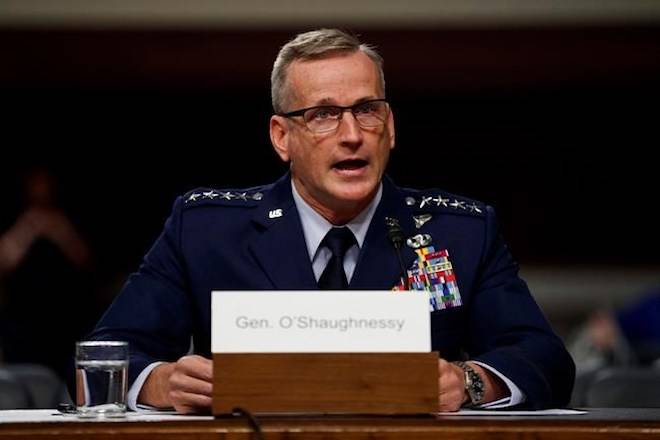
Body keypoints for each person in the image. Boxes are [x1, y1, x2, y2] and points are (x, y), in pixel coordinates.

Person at [89, 29, 575, 414]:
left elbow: (545, 359)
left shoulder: (461, 232)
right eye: (323, 114)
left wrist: (469, 382)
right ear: (282, 137)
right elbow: (102, 357)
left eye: (367, 110)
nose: (351, 135)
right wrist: (163, 383)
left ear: (390, 128)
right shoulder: (205, 229)